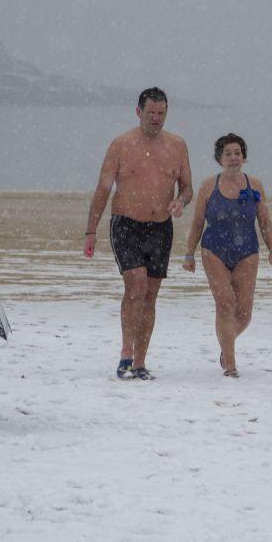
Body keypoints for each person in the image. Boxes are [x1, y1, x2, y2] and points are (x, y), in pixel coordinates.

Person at [84, 87, 193, 380]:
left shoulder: (177, 145)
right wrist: (91, 231)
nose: (156, 119)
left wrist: (180, 202)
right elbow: (103, 189)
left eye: (161, 113)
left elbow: (187, 188)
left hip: (160, 227)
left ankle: (141, 362)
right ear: (138, 112)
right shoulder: (121, 144)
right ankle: (125, 355)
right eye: (151, 113)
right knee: (136, 285)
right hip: (126, 224)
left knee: (150, 295)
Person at [182, 134, 272, 377]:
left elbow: (265, 221)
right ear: (219, 159)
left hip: (247, 251)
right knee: (225, 302)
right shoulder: (208, 185)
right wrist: (189, 254)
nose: (233, 158)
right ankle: (231, 365)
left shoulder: (254, 185)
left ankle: (226, 347)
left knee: (244, 314)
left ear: (244, 157)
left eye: (237, 153)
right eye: (228, 153)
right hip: (213, 249)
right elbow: (196, 223)